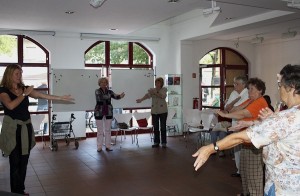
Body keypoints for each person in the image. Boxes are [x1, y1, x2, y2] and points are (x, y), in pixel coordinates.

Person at [193, 65, 300, 196]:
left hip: (283, 187)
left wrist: (211, 148)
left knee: (253, 176)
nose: (279, 89)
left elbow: (243, 136)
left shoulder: (285, 118)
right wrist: (268, 119)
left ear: (291, 88)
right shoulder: (286, 116)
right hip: (292, 184)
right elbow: (281, 128)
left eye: (280, 85)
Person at [0, 64, 74, 195]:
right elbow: (10, 106)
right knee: (15, 161)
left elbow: (41, 95)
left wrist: (60, 98)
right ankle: (15, 192)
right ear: (9, 74)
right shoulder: (3, 91)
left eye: (20, 73)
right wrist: (24, 94)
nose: (19, 76)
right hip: (12, 129)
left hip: (25, 128)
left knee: (24, 160)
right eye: (16, 73)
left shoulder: (24, 88)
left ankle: (20, 190)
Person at [217, 77, 267, 196]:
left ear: (260, 90)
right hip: (246, 141)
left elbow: (243, 113)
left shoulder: (260, 102)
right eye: (248, 89)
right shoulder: (251, 100)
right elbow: (236, 109)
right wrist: (244, 103)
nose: (249, 92)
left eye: (252, 89)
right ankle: (246, 193)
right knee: (244, 171)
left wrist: (225, 115)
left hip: (254, 143)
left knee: (253, 175)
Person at [225, 76, 249, 176]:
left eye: (237, 84)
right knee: (236, 147)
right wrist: (236, 100)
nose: (234, 85)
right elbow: (227, 108)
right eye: (234, 83)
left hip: (245, 124)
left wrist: (234, 108)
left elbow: (243, 110)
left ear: (243, 85)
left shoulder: (248, 93)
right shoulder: (233, 93)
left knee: (245, 148)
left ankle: (245, 170)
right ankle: (239, 170)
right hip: (235, 123)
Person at [94, 77, 125, 152]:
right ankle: (99, 147)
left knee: (108, 130)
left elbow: (116, 97)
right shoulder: (97, 91)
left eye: (105, 82)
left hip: (109, 111)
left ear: (107, 84)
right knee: (100, 130)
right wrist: (112, 95)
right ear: (99, 83)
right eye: (102, 82)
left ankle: (108, 146)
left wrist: (120, 96)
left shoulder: (110, 91)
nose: (104, 84)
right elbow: (102, 97)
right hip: (99, 111)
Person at [136, 77, 168, 148]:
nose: (157, 84)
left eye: (158, 83)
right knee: (156, 127)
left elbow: (162, 96)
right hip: (154, 111)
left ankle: (164, 143)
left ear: (161, 83)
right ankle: (156, 142)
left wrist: (155, 92)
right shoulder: (152, 90)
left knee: (163, 127)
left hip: (163, 111)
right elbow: (147, 95)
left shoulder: (164, 89)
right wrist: (141, 100)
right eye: (156, 82)